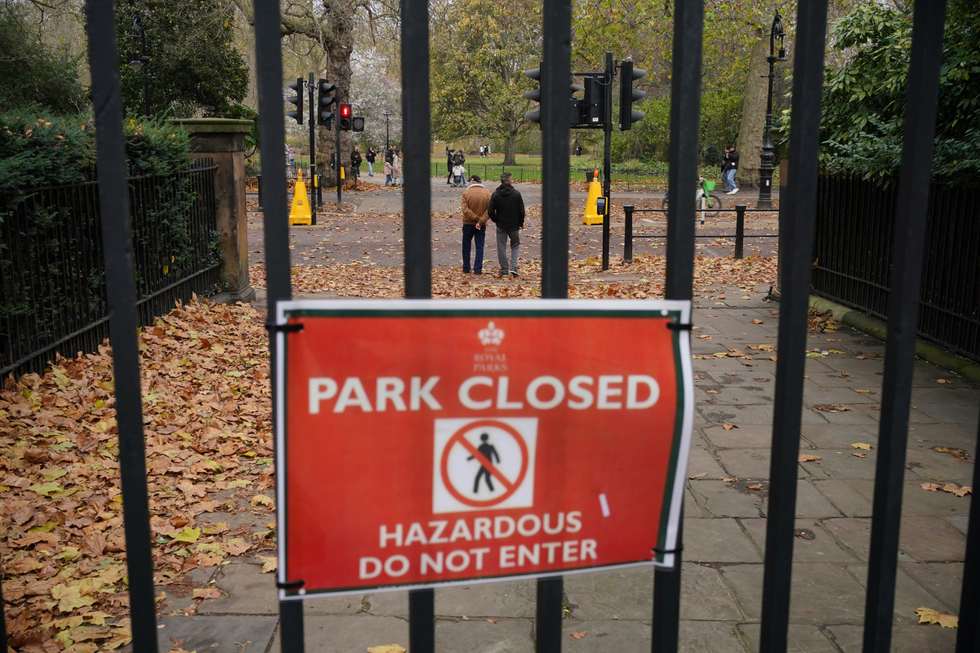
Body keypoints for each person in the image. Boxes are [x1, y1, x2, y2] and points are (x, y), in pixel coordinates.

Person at [487, 172, 525, 278]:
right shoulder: (516, 194)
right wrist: (521, 223)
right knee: (515, 245)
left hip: (501, 224)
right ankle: (513, 267)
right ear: (509, 181)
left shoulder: (496, 194)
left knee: (501, 247)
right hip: (514, 224)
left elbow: (490, 211)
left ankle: (504, 269)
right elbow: (521, 210)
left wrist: (496, 220)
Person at [460, 175, 490, 274]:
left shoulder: (466, 193)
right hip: (481, 225)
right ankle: (478, 269)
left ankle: (466, 267)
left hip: (468, 223)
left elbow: (465, 210)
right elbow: (490, 210)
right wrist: (481, 221)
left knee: (466, 246)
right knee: (479, 246)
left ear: (472, 182)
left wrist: (476, 219)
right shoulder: (488, 194)